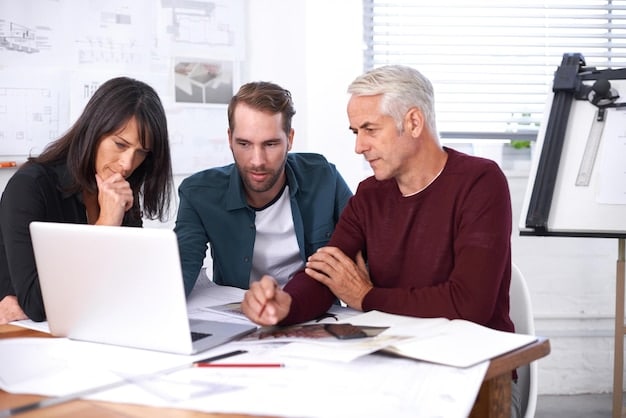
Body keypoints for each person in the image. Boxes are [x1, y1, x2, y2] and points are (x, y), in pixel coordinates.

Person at [242, 65, 519, 416]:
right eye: (355, 132)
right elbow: (328, 272)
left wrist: (366, 297)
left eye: (370, 129)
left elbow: (469, 304)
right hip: (396, 365)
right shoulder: (369, 194)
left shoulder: (480, 181)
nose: (359, 146)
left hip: (477, 375)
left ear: (414, 123)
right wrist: (285, 305)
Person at [0, 76, 174, 324]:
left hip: (89, 325)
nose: (127, 164)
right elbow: (38, 304)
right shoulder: (31, 186)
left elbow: (127, 286)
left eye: (141, 152)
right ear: (93, 131)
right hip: (27, 335)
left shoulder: (120, 191)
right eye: (119, 144)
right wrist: (106, 225)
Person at [174, 81, 352, 296]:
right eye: (244, 144)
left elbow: (365, 255)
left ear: (290, 139)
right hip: (239, 318)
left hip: (314, 314)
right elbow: (180, 273)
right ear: (229, 139)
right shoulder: (198, 194)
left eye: (270, 144)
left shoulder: (324, 178)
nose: (257, 161)